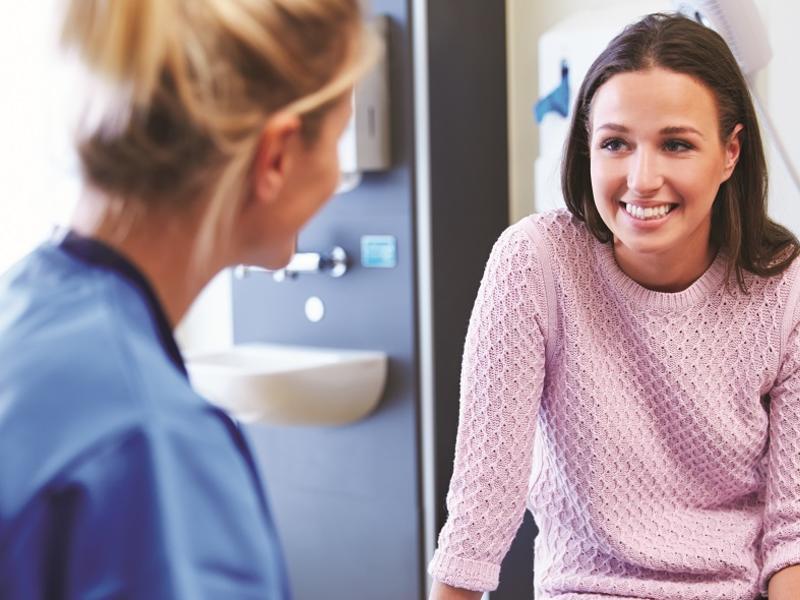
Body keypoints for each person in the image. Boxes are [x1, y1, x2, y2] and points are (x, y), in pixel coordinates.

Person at [0, 0, 377, 598]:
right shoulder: (148, 445)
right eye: (338, 137)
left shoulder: (23, 305)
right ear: (276, 157)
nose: (337, 177)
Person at [428, 13, 800, 600]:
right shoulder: (537, 261)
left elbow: (793, 536)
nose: (641, 178)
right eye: (615, 144)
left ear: (730, 152)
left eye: (676, 144)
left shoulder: (785, 288)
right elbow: (481, 511)